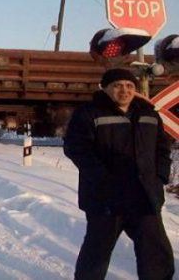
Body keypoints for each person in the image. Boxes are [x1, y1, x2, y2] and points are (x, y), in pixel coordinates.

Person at [64, 68, 174, 280]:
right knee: (97, 252)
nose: (124, 90)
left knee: (156, 251)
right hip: (106, 198)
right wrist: (101, 178)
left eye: (129, 86)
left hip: (144, 195)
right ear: (105, 88)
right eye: (117, 85)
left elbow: (163, 148)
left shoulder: (149, 114)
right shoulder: (89, 113)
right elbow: (76, 148)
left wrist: (160, 176)